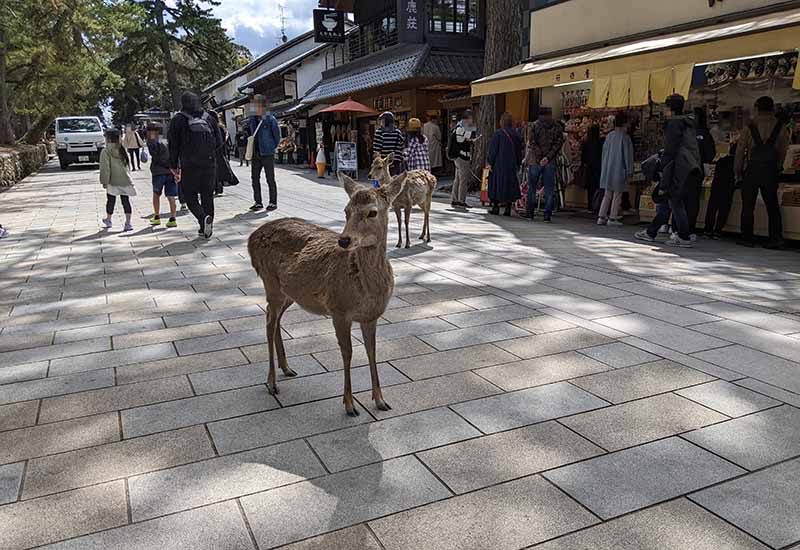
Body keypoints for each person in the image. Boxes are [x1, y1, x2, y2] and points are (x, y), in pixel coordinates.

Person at [635, 94, 702, 247]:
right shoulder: (688, 123)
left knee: (675, 201)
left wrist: (662, 166)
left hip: (677, 166)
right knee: (669, 200)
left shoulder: (674, 124)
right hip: (688, 166)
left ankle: (683, 236)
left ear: (669, 108)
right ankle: (651, 231)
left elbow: (671, 149)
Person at [734, 95, 788, 249]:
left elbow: (740, 151)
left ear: (757, 107)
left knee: (748, 204)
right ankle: (776, 238)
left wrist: (738, 172)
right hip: (770, 170)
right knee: (772, 205)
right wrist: (778, 166)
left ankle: (747, 237)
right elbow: (783, 150)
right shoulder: (780, 126)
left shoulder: (750, 126)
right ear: (772, 108)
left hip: (752, 169)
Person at [167, 91, 220, 239]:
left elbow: (173, 145)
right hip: (209, 163)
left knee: (189, 195)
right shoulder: (208, 117)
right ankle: (206, 227)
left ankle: (202, 218)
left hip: (189, 164)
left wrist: (173, 164)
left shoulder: (178, 119)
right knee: (207, 195)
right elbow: (219, 140)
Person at [524, 106, 563, 222]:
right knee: (549, 189)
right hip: (550, 161)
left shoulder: (534, 126)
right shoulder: (557, 126)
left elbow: (532, 142)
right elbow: (558, 143)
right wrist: (547, 157)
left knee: (532, 187)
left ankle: (530, 213)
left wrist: (540, 157)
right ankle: (547, 215)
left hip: (535, 161)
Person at [597, 113, 634, 226]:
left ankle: (601, 216)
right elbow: (628, 156)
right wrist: (629, 171)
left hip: (607, 169)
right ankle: (612, 218)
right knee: (617, 194)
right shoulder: (625, 138)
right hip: (619, 170)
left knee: (607, 194)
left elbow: (604, 154)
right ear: (624, 123)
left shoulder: (609, 136)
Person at [99, 128, 136, 231]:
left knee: (111, 200)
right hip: (125, 180)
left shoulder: (105, 151)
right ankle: (128, 223)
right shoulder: (122, 149)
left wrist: (104, 182)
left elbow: (105, 168)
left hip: (112, 181)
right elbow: (126, 166)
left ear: (108, 138)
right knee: (126, 201)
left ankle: (109, 220)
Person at [248, 94, 281, 211]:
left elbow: (277, 136)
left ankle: (273, 202)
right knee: (254, 178)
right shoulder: (251, 120)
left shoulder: (270, 119)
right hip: (255, 153)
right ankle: (258, 202)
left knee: (270, 178)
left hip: (267, 153)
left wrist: (272, 147)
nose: (255, 108)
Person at [486, 112, 522, 216]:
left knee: (496, 184)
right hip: (511, 165)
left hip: (499, 164)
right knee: (510, 185)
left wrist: (490, 162)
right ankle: (508, 208)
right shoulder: (516, 134)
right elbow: (519, 151)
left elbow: (493, 150)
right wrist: (518, 162)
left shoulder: (498, 134)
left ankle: (496, 206)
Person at [687, 107, 716, 236]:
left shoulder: (685, 132)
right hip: (696, 171)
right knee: (693, 200)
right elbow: (711, 155)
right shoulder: (705, 135)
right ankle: (689, 228)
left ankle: (677, 227)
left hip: (682, 170)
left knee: (680, 199)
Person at [146, 124, 177, 228]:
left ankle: (157, 217)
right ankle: (173, 218)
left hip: (158, 172)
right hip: (171, 172)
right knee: (171, 196)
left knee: (156, 194)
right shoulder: (170, 140)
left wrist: (151, 141)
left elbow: (154, 155)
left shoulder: (153, 142)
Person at [703, 142, 737, 239]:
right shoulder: (737, 163)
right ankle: (718, 230)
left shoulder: (721, 161)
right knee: (723, 210)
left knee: (712, 208)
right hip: (728, 188)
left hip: (716, 186)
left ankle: (707, 229)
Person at [447, 109, 477, 209]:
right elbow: (462, 141)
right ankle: (461, 200)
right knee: (463, 180)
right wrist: (471, 138)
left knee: (458, 179)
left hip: (457, 157)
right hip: (462, 156)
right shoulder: (462, 128)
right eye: (471, 118)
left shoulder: (457, 127)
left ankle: (455, 199)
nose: (472, 121)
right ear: (468, 118)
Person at [581, 125, 603, 213]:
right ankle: (597, 205)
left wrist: (583, 164)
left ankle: (590, 205)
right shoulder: (600, 142)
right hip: (598, 167)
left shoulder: (586, 143)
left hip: (589, 168)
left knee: (590, 188)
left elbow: (583, 156)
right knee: (598, 187)